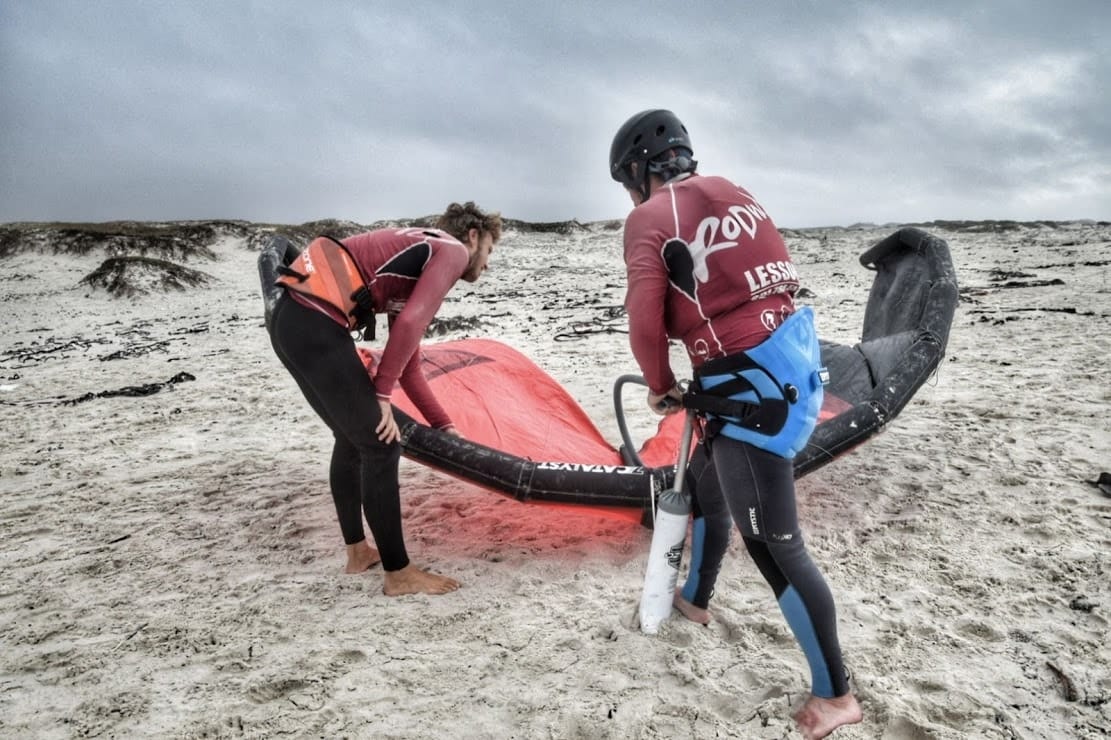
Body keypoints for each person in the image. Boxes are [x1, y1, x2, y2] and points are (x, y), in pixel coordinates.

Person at [609, 110, 862, 739]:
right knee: (701, 491)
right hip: (785, 374)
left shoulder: (650, 215)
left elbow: (645, 321)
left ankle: (836, 694)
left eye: (626, 184)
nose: (629, 197)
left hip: (749, 392)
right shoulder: (737, 193)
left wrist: (662, 388)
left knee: (777, 546)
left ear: (638, 171)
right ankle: (694, 601)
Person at [267, 202, 502, 596]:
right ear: (474, 236)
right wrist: (381, 394)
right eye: (491, 251)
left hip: (292, 323)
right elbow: (409, 325)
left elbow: (407, 360)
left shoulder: (416, 261)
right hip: (315, 320)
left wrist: (444, 425)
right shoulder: (453, 250)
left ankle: (358, 553)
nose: (487, 264)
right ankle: (400, 573)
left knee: (353, 438)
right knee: (381, 443)